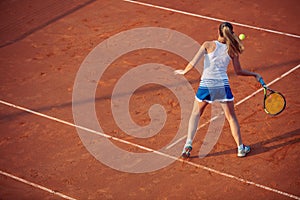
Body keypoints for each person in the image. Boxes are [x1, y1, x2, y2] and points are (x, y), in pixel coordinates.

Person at [174, 22, 261, 158]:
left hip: (206, 86)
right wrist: (254, 74)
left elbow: (192, 63)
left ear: (218, 32)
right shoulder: (232, 50)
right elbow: (238, 71)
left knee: (195, 114)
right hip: (222, 87)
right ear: (230, 34)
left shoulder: (207, 45)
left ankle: (187, 145)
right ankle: (240, 148)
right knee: (231, 118)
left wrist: (184, 71)